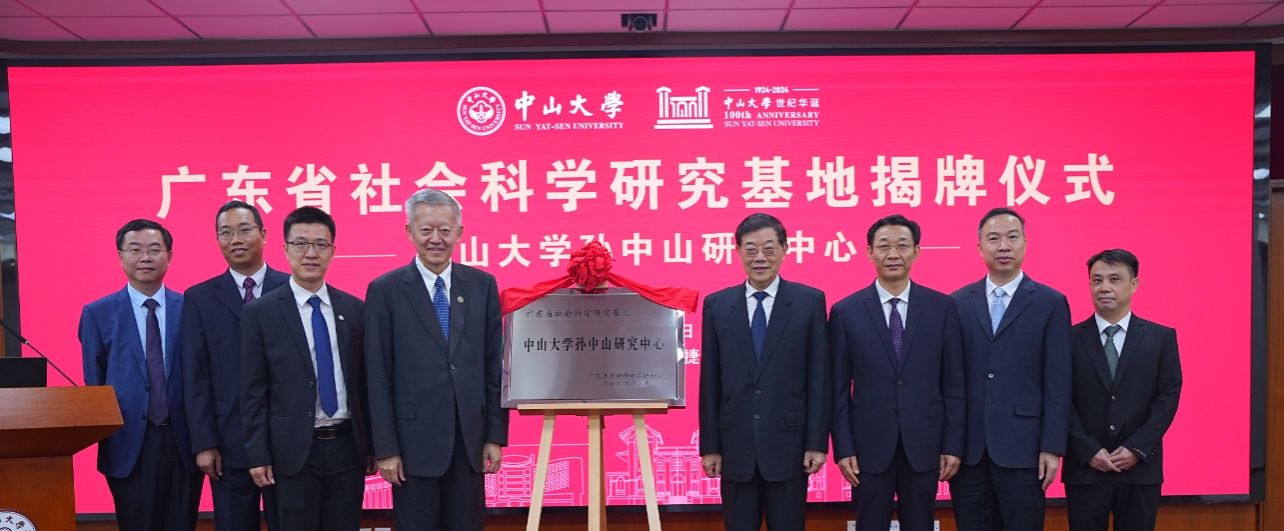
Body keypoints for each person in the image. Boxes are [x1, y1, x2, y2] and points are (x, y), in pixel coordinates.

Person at [365, 188, 507, 531]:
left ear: (459, 233)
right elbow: (377, 373)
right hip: (411, 444)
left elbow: (495, 366)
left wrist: (494, 436)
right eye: (426, 230)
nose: (435, 239)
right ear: (409, 232)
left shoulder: (482, 285)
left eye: (445, 230)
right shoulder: (385, 290)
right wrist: (386, 448)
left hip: (469, 441)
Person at [829, 214, 965, 531]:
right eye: (884, 246)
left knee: (920, 523)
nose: (893, 254)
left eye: (902, 246)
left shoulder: (942, 307)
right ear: (869, 252)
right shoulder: (845, 312)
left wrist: (952, 444)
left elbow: (954, 384)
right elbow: (837, 388)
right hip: (868, 446)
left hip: (925, 442)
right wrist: (844, 448)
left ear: (916, 251)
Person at [240, 207, 371, 531]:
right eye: (300, 244)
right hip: (291, 451)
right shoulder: (261, 313)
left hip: (347, 449)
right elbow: (252, 391)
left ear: (332, 251)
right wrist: (257, 455)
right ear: (285, 249)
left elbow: (366, 384)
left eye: (320, 244)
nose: (310, 253)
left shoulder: (355, 310)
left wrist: (372, 446)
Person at [698, 213, 830, 531]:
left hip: (790, 447)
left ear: (784, 250)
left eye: (769, 248)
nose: (760, 257)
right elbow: (710, 381)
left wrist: (816, 442)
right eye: (751, 249)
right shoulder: (718, 305)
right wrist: (711, 447)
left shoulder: (809, 302)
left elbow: (819, 378)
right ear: (738, 251)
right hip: (735, 448)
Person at [949, 208, 1072, 531]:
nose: (1003, 246)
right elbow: (948, 381)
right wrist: (948, 444)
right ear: (980, 247)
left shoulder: (1050, 302)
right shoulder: (956, 303)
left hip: (1024, 449)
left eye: (1012, 237)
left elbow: (1058, 383)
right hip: (968, 451)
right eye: (994, 239)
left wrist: (1052, 447)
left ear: (1025, 244)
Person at [80, 218, 202, 531]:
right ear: (120, 256)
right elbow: (95, 383)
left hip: (184, 440)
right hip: (128, 443)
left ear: (169, 255)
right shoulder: (97, 313)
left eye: (154, 249)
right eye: (135, 249)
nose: (145, 257)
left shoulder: (191, 308)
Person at [182, 200, 288, 531]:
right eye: (225, 233)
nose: (236, 239)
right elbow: (195, 376)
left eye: (244, 230)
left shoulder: (292, 289)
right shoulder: (199, 298)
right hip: (228, 442)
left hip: (287, 440)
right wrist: (204, 443)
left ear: (264, 234)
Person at [1063, 250, 1182, 531]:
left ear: (1134, 284)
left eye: (1114, 279)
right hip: (1086, 468)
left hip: (1140, 468)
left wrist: (1136, 448)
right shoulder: (1067, 338)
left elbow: (1168, 397)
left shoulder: (1160, 338)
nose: (1104, 287)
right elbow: (1059, 399)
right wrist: (1087, 449)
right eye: (1097, 280)